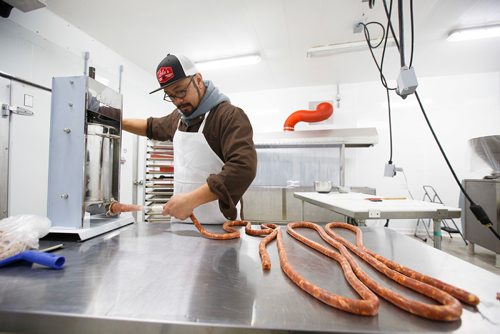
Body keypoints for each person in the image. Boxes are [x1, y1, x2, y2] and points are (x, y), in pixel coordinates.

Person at [123, 54, 257, 224]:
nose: (178, 101)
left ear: (198, 80)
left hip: (220, 226)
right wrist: (114, 119)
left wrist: (190, 200)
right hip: (180, 224)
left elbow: (243, 168)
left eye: (180, 91)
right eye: (170, 95)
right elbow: (149, 126)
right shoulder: (177, 118)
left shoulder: (228, 116)